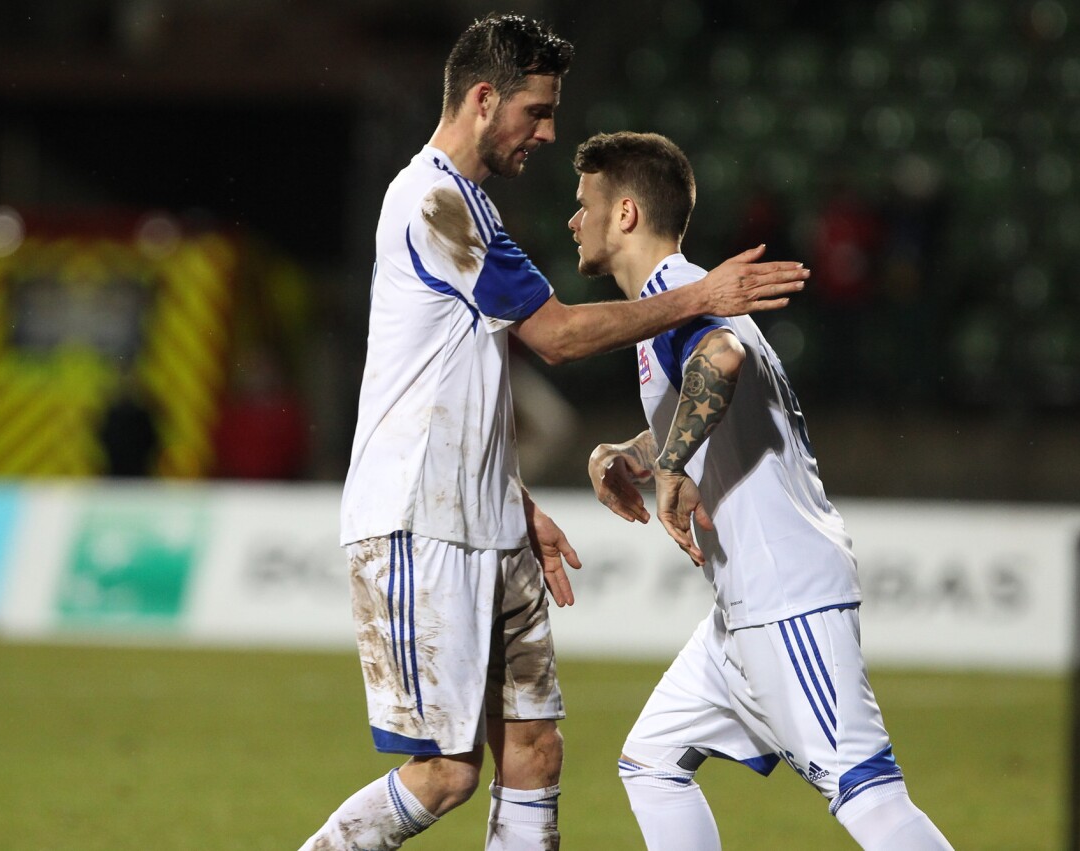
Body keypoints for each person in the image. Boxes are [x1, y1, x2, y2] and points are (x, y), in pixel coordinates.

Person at [299, 14, 808, 851]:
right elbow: (559, 336)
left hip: (488, 520)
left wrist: (513, 496)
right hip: (420, 524)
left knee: (534, 752)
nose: (547, 132)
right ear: (483, 98)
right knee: (447, 772)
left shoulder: (473, 209)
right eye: (535, 111)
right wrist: (701, 295)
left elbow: (458, 376)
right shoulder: (432, 201)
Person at [574, 132, 953, 850]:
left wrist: (672, 465)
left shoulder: (677, 296)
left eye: (583, 202)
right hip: (743, 606)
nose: (572, 219)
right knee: (651, 762)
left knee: (869, 796)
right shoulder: (673, 302)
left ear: (624, 213)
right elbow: (715, 401)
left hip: (784, 595)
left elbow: (721, 360)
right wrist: (635, 452)